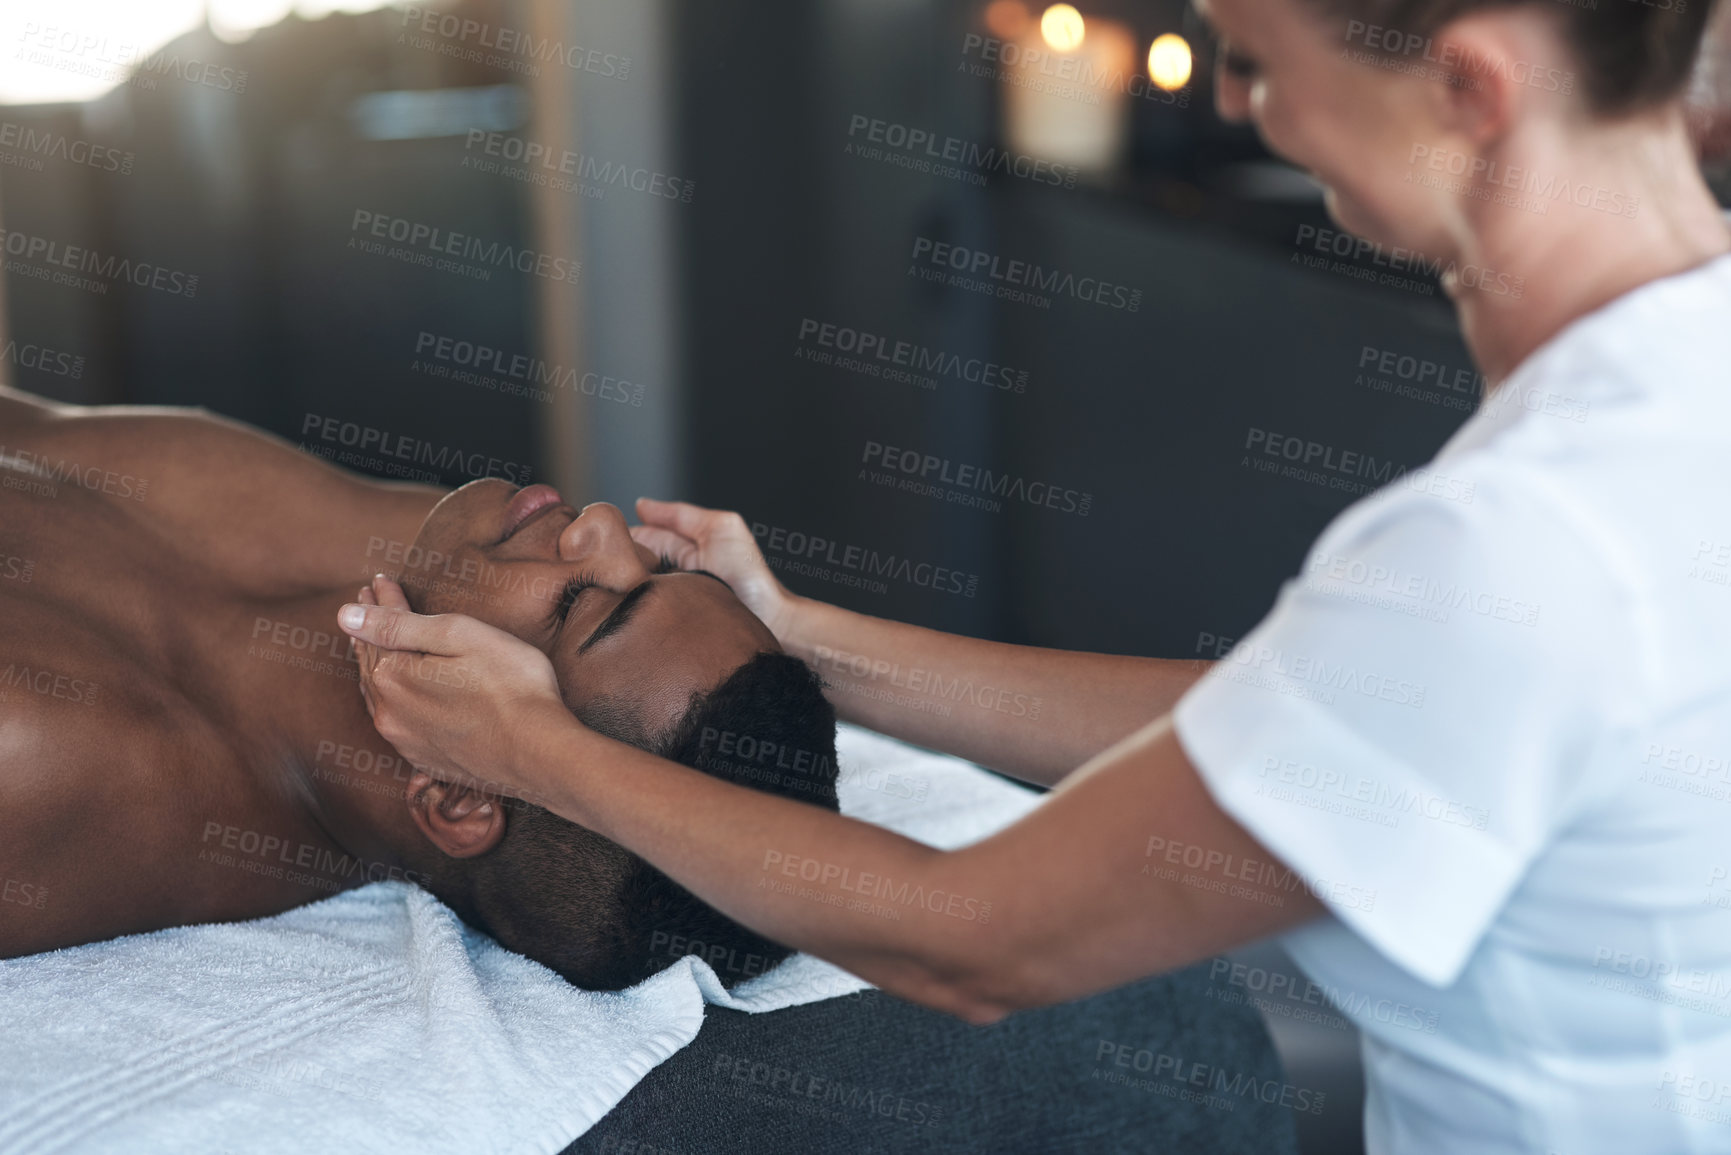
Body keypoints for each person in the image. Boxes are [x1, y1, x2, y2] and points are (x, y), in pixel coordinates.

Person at [339, 1, 1731, 1150]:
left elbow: (976, 938)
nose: (1245, 107)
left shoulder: (1519, 537)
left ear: (1471, 86)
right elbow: (1284, 719)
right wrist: (796, 636)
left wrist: (530, 746)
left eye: (1255, 61)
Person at [0, 384, 839, 990]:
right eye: (655, 565)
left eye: (582, 603)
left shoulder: (42, 755)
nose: (602, 526)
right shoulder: (409, 556)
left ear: (459, 798)